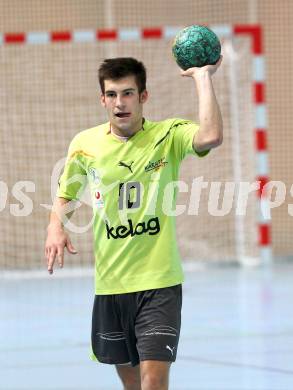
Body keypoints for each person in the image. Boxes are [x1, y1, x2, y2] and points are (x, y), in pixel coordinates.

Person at [45, 56, 223, 390]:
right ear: (102, 99)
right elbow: (66, 192)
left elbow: (211, 135)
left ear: (143, 96)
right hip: (112, 286)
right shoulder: (85, 145)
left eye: (128, 93)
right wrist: (55, 226)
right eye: (112, 94)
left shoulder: (168, 135)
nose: (119, 103)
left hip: (160, 284)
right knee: (132, 385)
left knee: (153, 381)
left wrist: (203, 77)